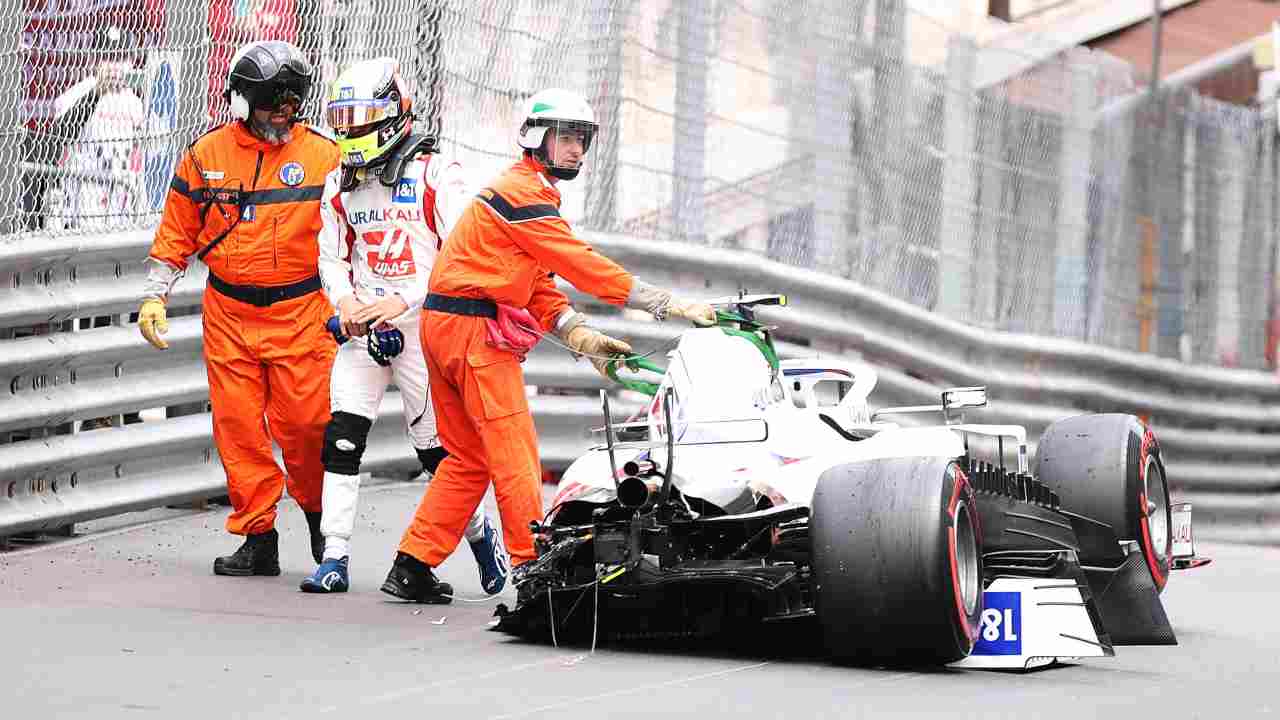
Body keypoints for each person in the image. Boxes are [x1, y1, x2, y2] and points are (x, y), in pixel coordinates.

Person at [380, 88, 717, 603]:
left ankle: (413, 563)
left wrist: (580, 336)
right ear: (536, 139)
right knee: (515, 451)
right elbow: (581, 263)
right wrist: (662, 302)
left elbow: (536, 286)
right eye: (566, 137)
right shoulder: (524, 194)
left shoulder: (527, 195)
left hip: (447, 329)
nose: (576, 149)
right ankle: (534, 569)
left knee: (468, 458)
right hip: (472, 336)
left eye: (581, 139)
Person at [300, 58, 508, 595]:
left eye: (360, 118)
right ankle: (335, 558)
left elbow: (458, 257)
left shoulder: (438, 172)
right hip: (364, 328)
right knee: (342, 441)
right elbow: (331, 258)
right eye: (342, 119)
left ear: (392, 115)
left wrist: (401, 301)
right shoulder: (338, 184)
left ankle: (484, 542)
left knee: (437, 455)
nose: (348, 131)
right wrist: (347, 303)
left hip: (425, 328)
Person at [137, 40, 341, 577]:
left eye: (293, 99)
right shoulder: (205, 156)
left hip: (302, 312)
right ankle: (258, 536)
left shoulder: (326, 156)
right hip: (228, 313)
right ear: (244, 99)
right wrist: (155, 294)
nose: (286, 110)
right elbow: (176, 231)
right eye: (275, 99)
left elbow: (355, 231)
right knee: (239, 429)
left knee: (307, 425)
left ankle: (322, 518)